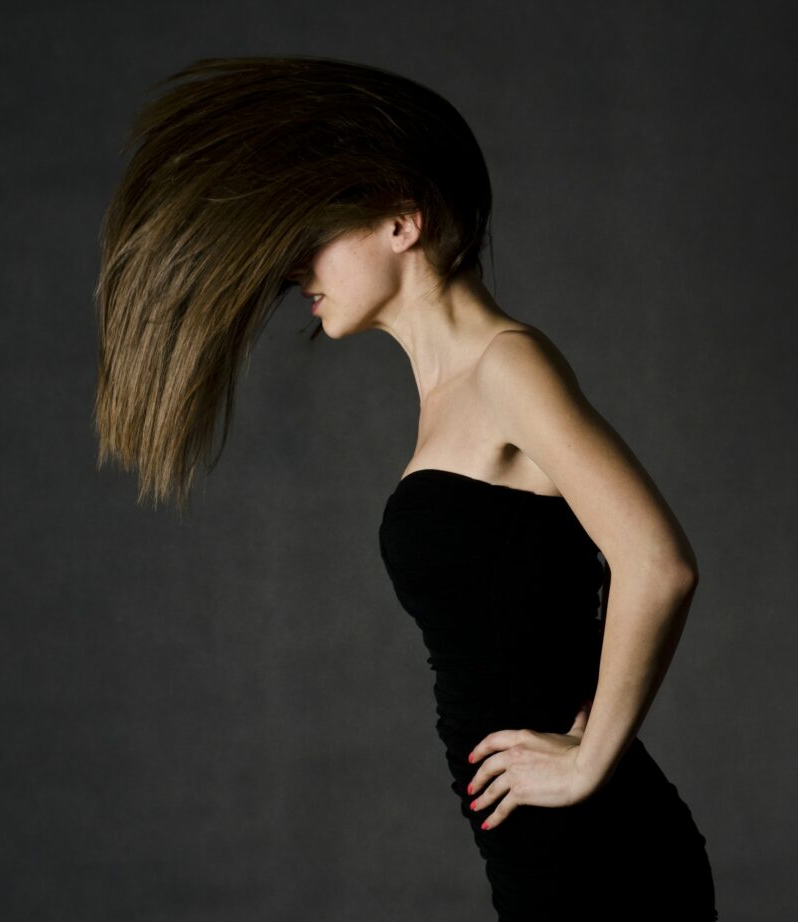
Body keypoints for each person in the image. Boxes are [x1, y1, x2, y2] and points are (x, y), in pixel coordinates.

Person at [93, 54, 718, 921]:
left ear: (401, 220)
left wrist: (587, 756)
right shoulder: (453, 391)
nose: (292, 273)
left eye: (311, 240)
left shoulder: (507, 364)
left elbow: (657, 562)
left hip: (596, 856)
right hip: (537, 853)